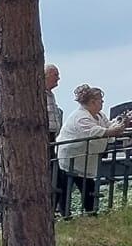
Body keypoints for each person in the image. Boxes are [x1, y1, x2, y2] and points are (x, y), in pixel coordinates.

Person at [56, 84, 128, 217]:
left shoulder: (99, 115)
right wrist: (113, 131)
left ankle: (89, 212)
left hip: (85, 158)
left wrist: (120, 121)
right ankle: (67, 214)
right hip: (70, 157)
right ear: (93, 102)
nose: (102, 103)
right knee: (66, 188)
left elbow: (108, 125)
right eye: (101, 100)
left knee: (86, 186)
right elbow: (96, 132)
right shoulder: (81, 117)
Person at [45, 65, 68, 215]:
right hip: (44, 137)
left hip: (53, 137)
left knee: (58, 176)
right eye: (56, 75)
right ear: (46, 75)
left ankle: (57, 209)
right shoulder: (39, 93)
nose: (58, 78)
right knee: (51, 174)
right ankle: (53, 210)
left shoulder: (50, 94)